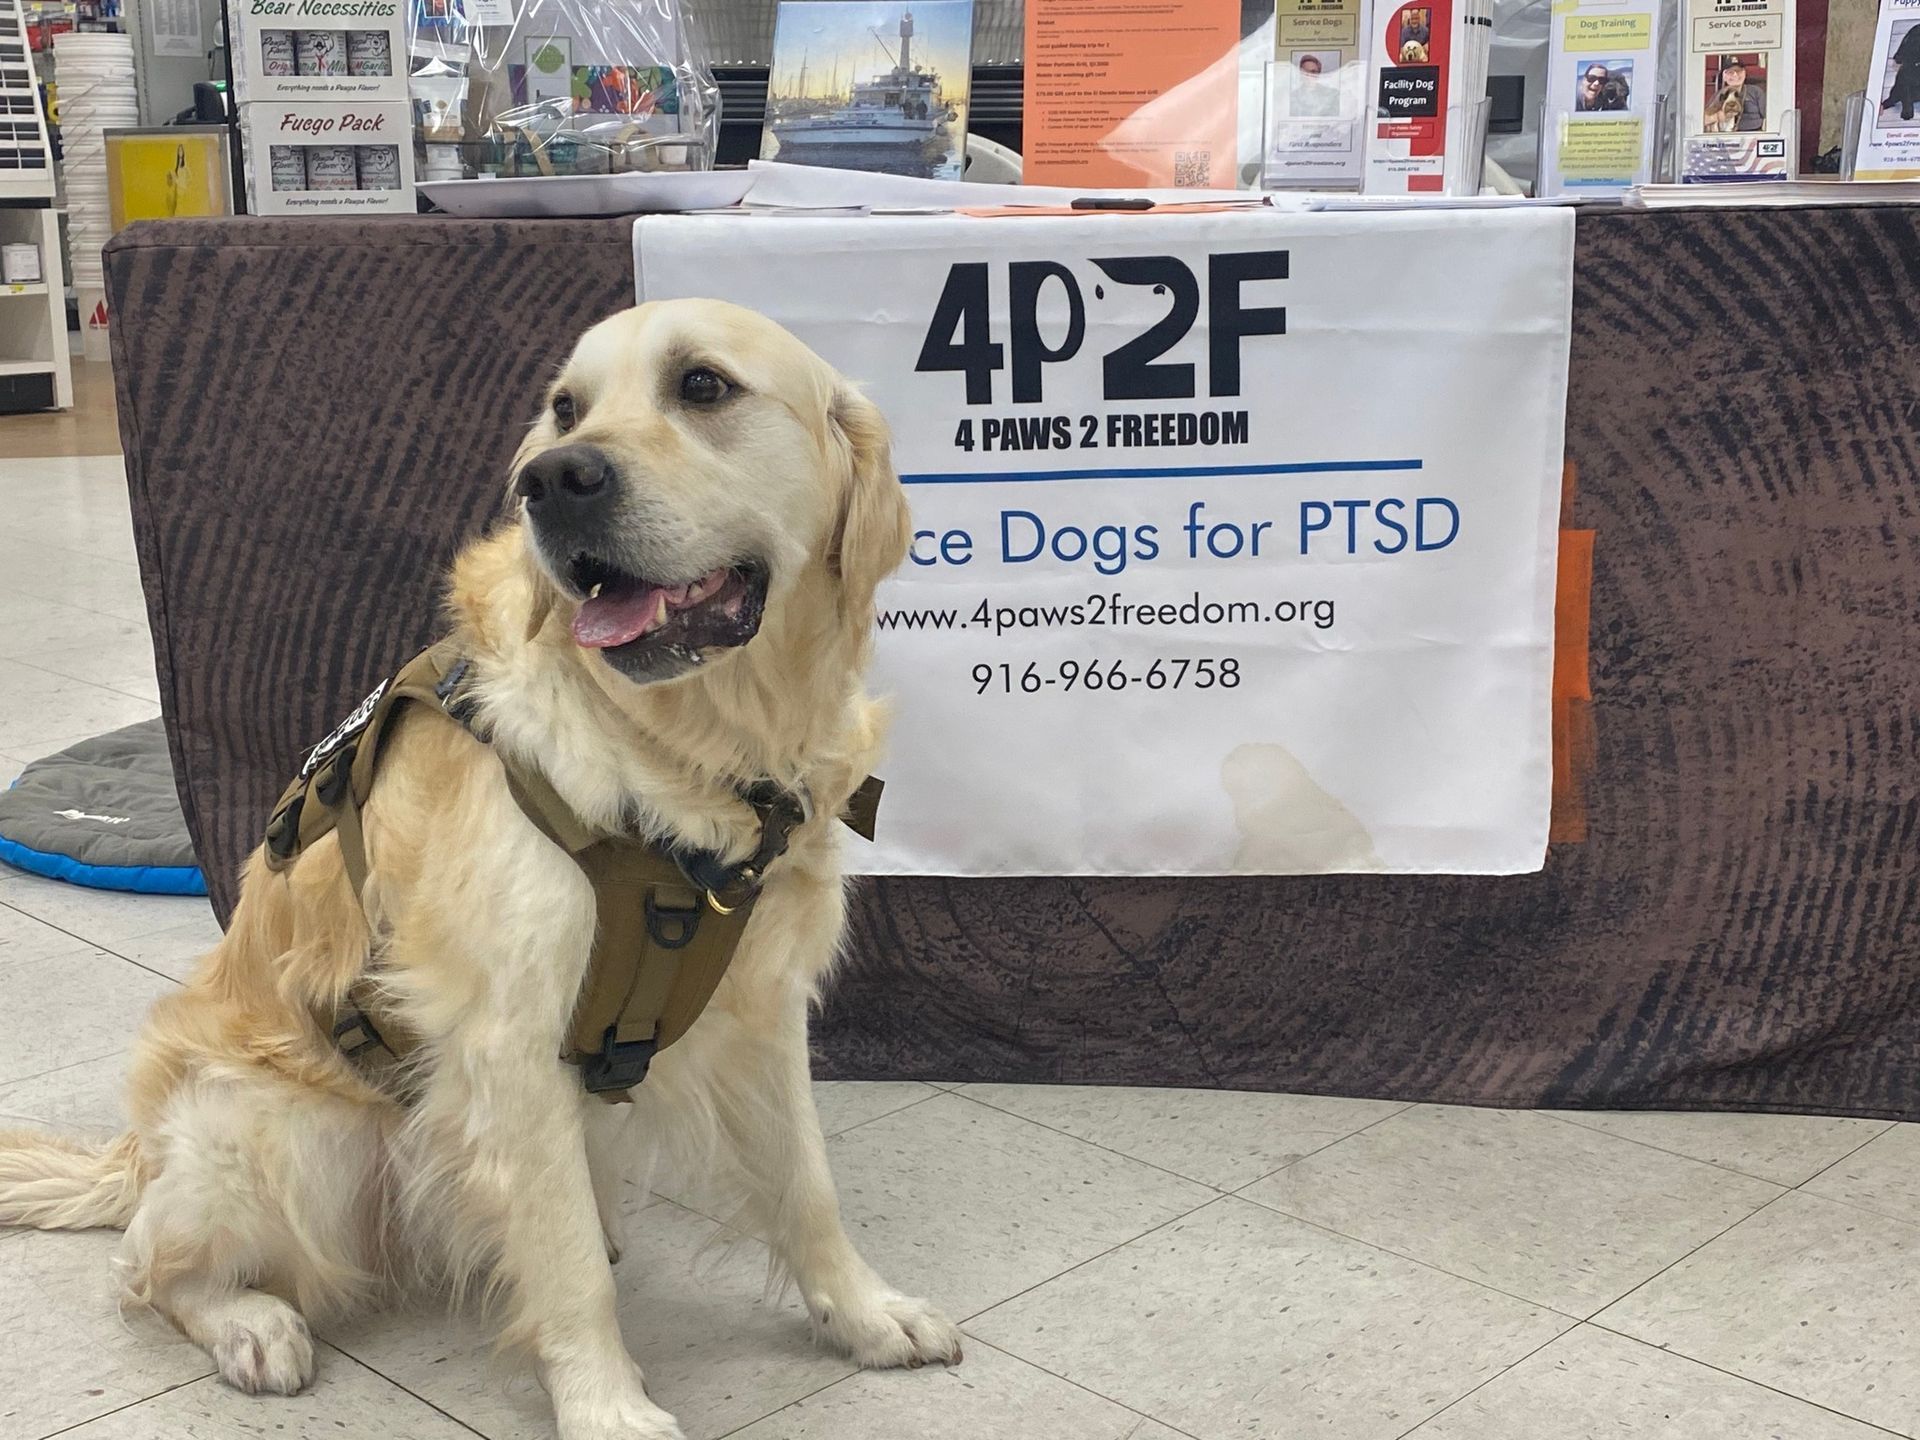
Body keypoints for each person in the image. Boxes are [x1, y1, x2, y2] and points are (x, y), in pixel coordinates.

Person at [1716, 57, 1766, 132]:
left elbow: (1769, 116)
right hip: (1728, 136)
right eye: (1730, 72)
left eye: (1738, 71)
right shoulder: (1720, 94)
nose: (1735, 75)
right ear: (1724, 76)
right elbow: (1705, 118)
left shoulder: (1756, 91)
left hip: (1755, 133)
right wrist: (1717, 117)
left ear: (1744, 73)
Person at [1882, 25, 1920, 122]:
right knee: (1903, 81)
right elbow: (1903, 51)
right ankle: (1906, 109)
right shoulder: (1916, 31)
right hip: (1911, 71)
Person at [1291, 53, 1342, 118]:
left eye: (1313, 72)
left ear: (1318, 74)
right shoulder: (1293, 96)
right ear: (1301, 74)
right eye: (1305, 71)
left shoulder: (1333, 94)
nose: (1309, 75)